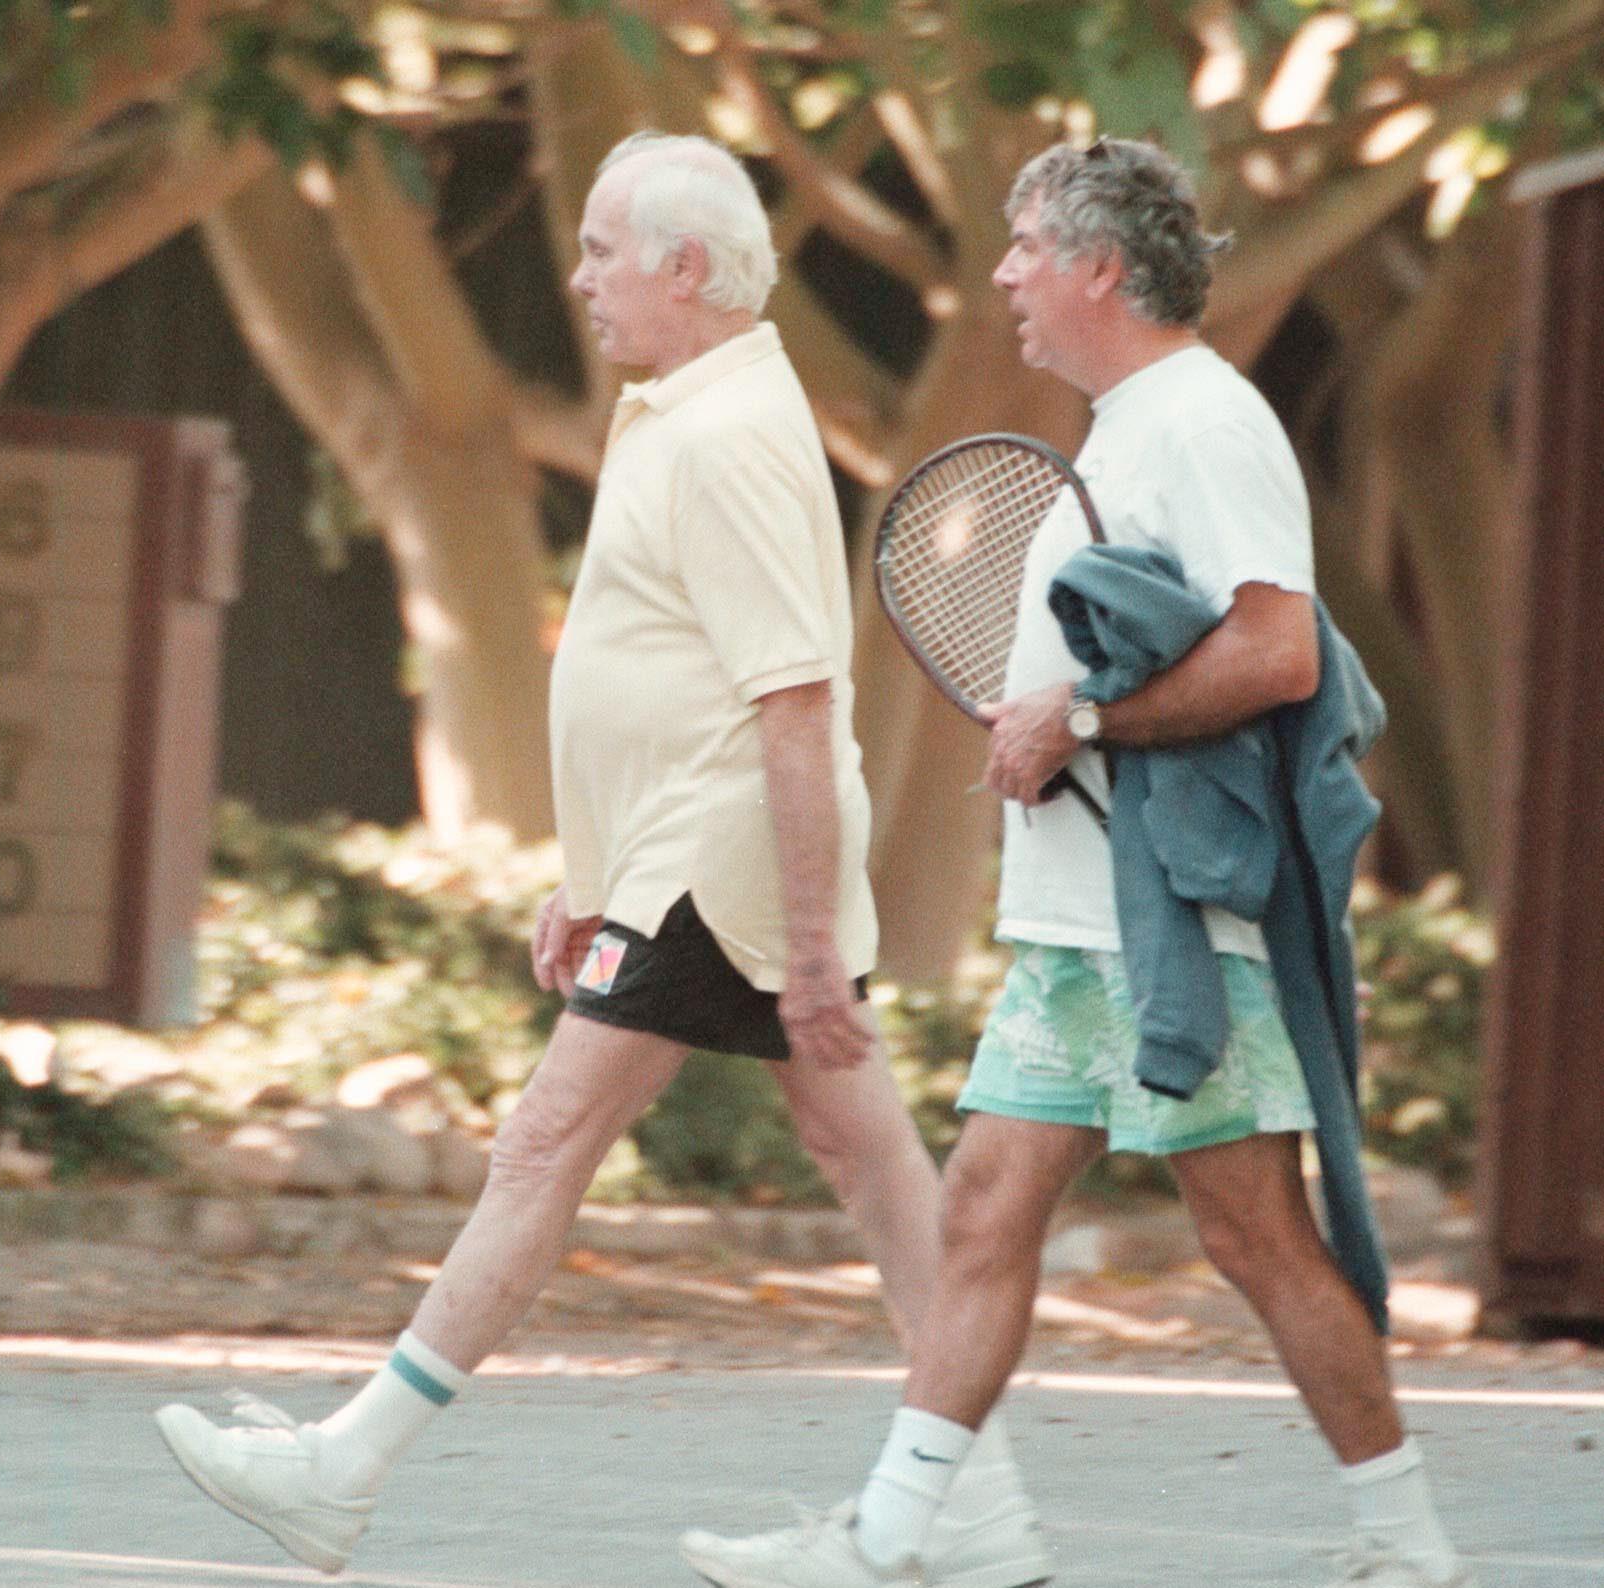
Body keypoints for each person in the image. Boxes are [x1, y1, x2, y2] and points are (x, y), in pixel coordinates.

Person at [151, 132, 1052, 1588]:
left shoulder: (733, 434)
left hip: (729, 873)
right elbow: (683, 685)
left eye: (598, 252)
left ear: (684, 269)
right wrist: (598, 875)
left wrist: (809, 939)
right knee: (874, 1163)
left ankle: (344, 1468)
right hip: (691, 861)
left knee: (546, 1144)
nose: (576, 281)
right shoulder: (692, 409)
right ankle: (984, 1511)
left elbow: (792, 700)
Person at [677, 139, 1477, 1588]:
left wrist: (1085, 714)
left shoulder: (1200, 423)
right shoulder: (1126, 426)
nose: (1002, 276)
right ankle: (890, 1542)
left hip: (1167, 921)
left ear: (1103, 267)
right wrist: (1060, 723)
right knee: (983, 1211)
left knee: (1256, 1239)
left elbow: (1277, 647)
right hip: (1075, 929)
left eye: (1027, 246)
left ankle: (1409, 1545)